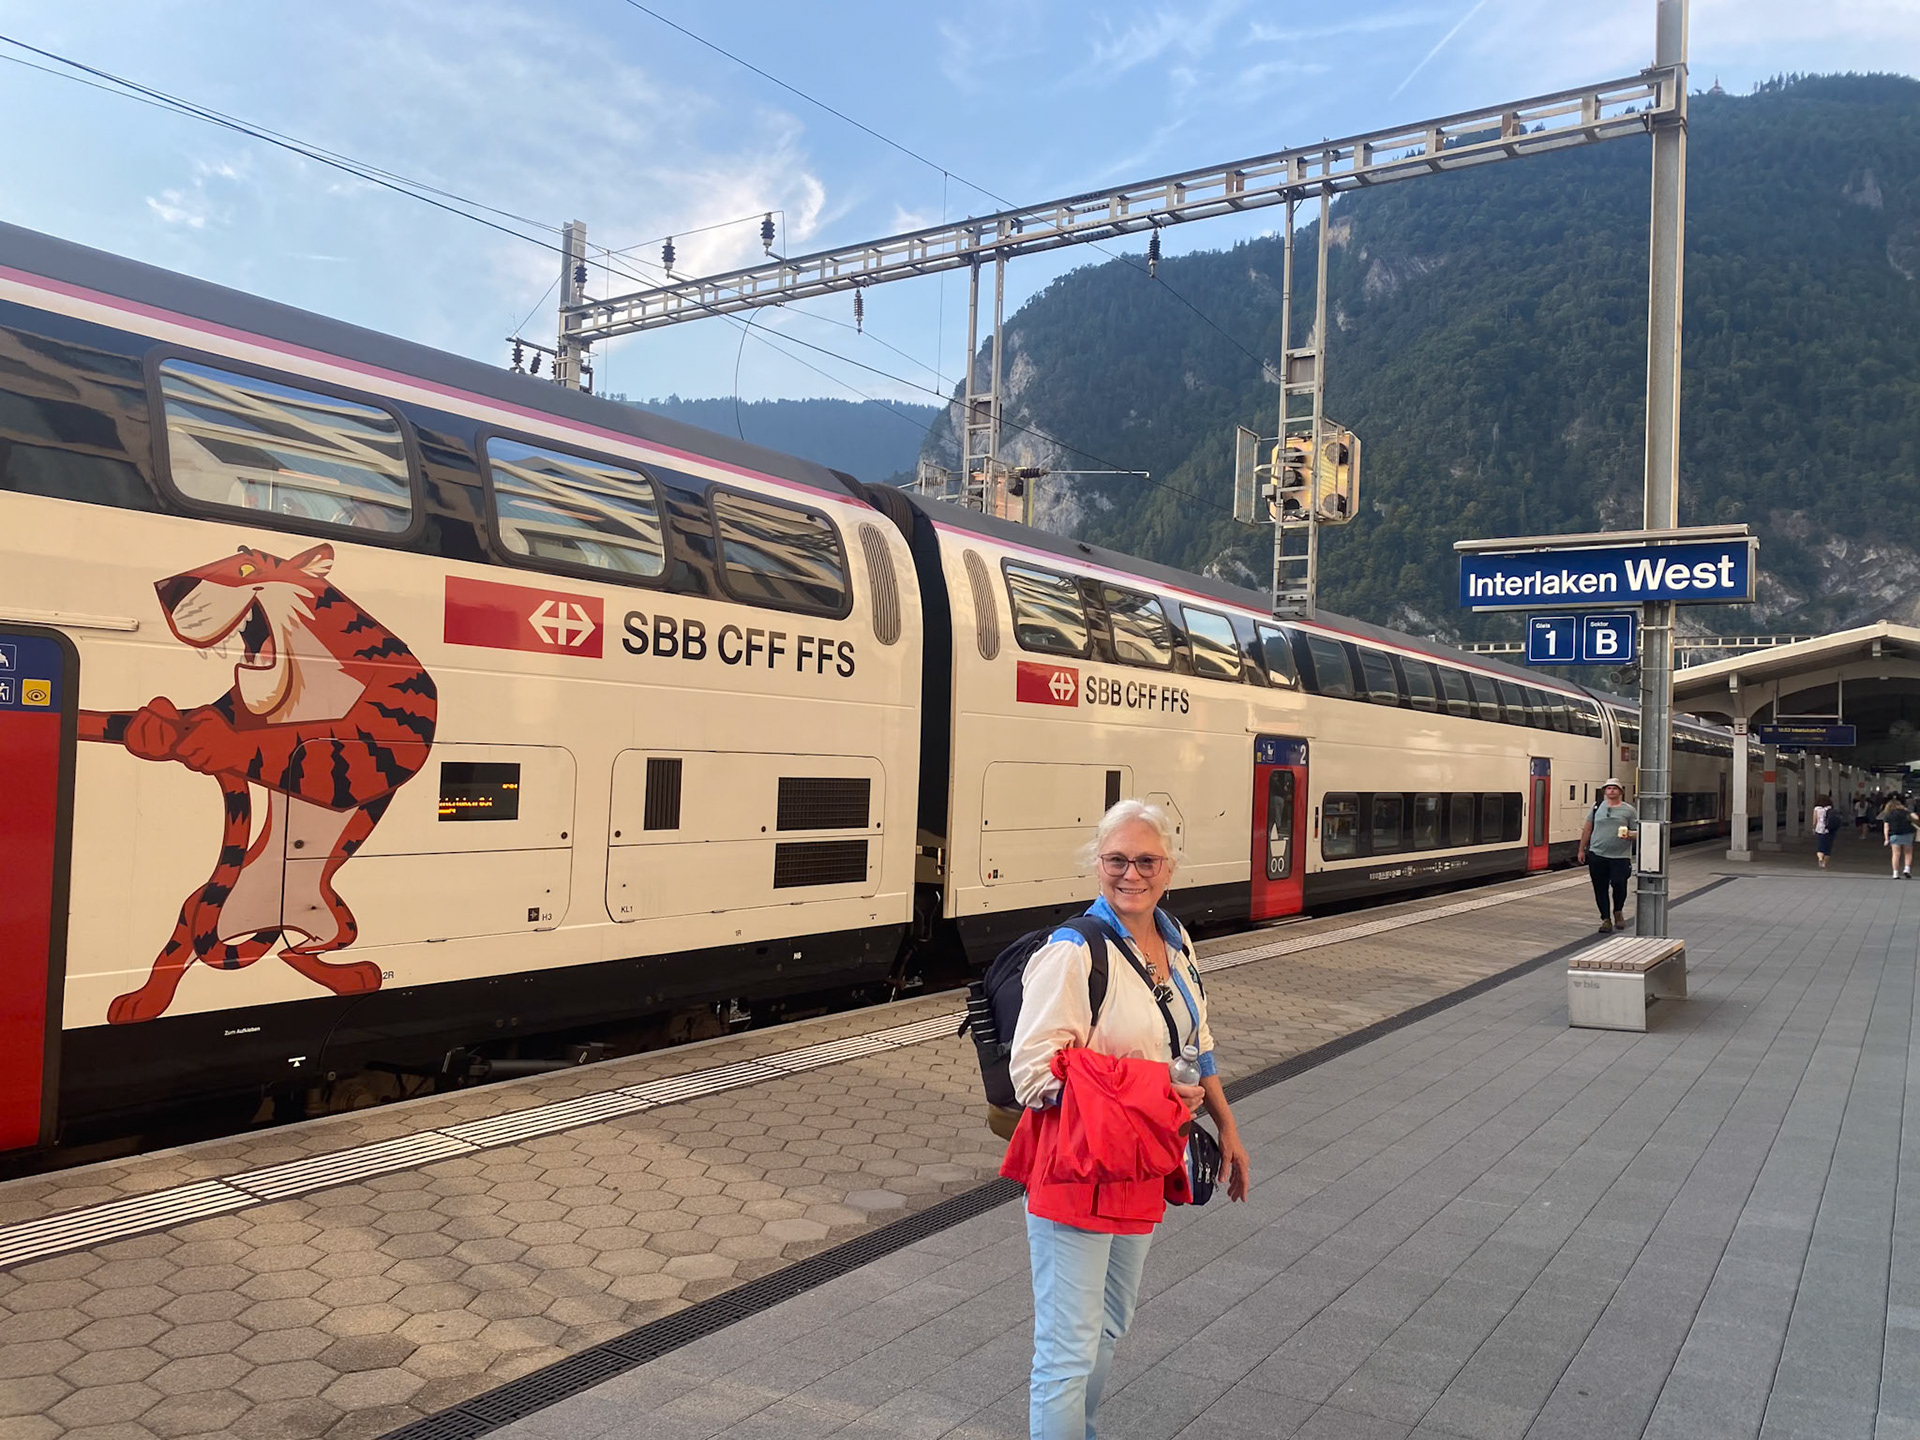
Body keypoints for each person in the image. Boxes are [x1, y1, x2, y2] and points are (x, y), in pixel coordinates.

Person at [1008, 799, 1251, 1440]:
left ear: (1170, 867)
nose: (1131, 874)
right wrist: (1152, 1091)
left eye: (1146, 860)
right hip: (1078, 1166)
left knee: (1109, 1327)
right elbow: (1032, 1076)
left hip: (1142, 1162)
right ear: (1096, 863)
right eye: (1116, 859)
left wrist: (1226, 1125)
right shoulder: (1073, 951)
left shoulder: (1175, 940)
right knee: (1067, 1349)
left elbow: (1195, 1043)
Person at [1578, 779, 1638, 933]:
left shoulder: (1629, 810)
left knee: (1619, 883)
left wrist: (1630, 835)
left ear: (1620, 792)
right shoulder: (1597, 807)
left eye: (1614, 788)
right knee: (1600, 887)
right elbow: (1587, 828)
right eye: (1608, 788)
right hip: (1597, 853)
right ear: (1605, 791)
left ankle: (1618, 910)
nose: (1611, 791)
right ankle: (1605, 919)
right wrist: (1581, 849)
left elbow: (1638, 831)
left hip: (1620, 856)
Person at [1885, 794, 1915, 879]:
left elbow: (1886, 828)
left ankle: (1895, 873)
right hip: (1907, 834)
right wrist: (1907, 810)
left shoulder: (1888, 814)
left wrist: (1886, 839)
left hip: (1894, 835)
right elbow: (1916, 817)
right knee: (1908, 853)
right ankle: (1907, 869)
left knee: (1896, 854)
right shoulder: (1906, 812)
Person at [1813, 794, 1834, 869]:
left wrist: (1814, 828)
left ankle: (1820, 858)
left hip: (1819, 829)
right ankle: (1825, 864)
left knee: (1820, 847)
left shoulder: (1816, 809)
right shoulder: (1829, 808)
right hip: (1829, 830)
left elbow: (1814, 821)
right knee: (1828, 849)